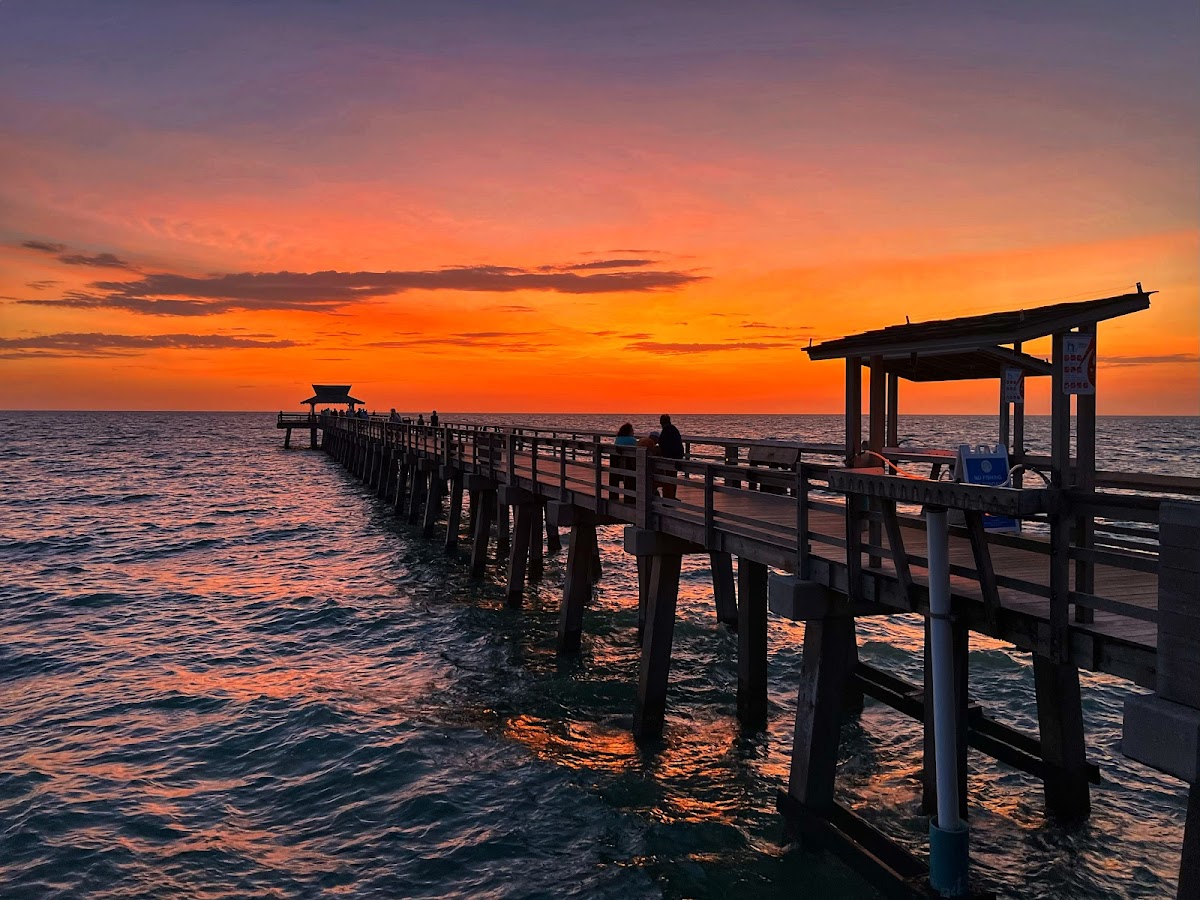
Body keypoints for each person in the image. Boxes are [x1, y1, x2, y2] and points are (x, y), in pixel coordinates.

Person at [656, 415, 684, 499]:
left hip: (669, 457)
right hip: (677, 456)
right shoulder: (674, 429)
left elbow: (662, 443)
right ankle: (672, 496)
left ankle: (668, 497)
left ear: (661, 422)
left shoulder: (665, 431)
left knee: (668, 477)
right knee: (673, 476)